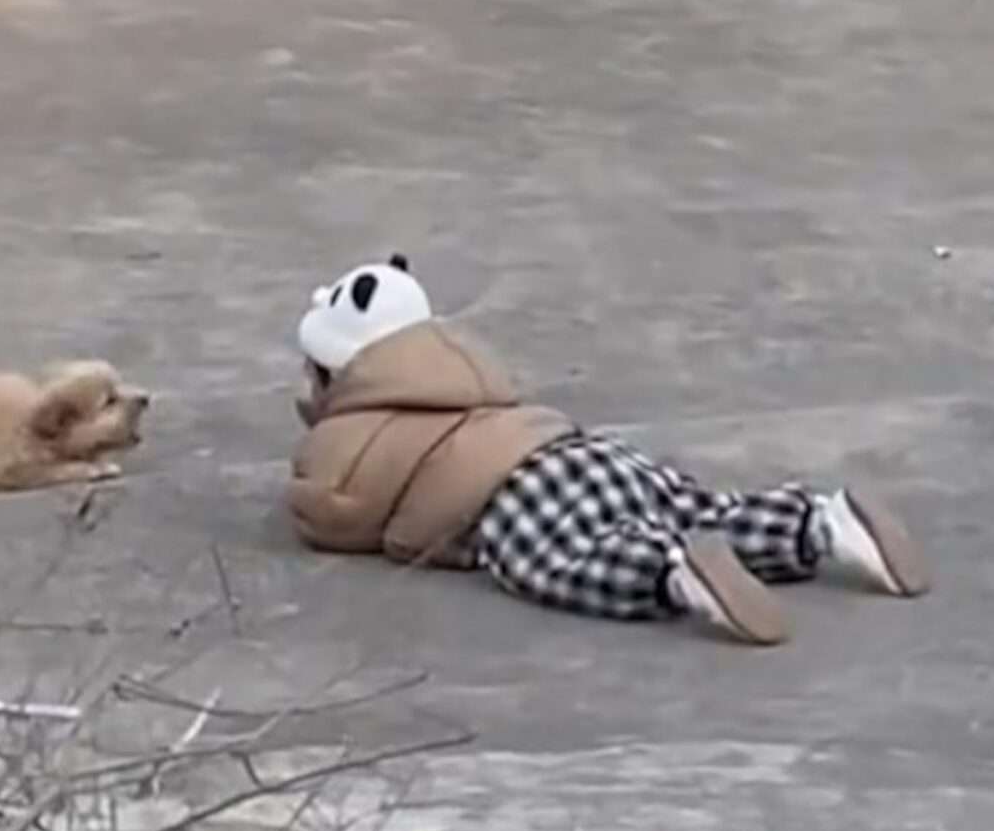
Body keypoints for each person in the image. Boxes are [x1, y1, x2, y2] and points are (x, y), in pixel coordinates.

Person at [287, 256, 927, 648]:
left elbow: (338, 512)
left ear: (335, 370)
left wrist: (309, 468)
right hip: (576, 448)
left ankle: (672, 572)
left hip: (505, 499)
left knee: (570, 559)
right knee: (699, 507)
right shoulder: (462, 369)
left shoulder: (350, 430)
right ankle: (822, 523)